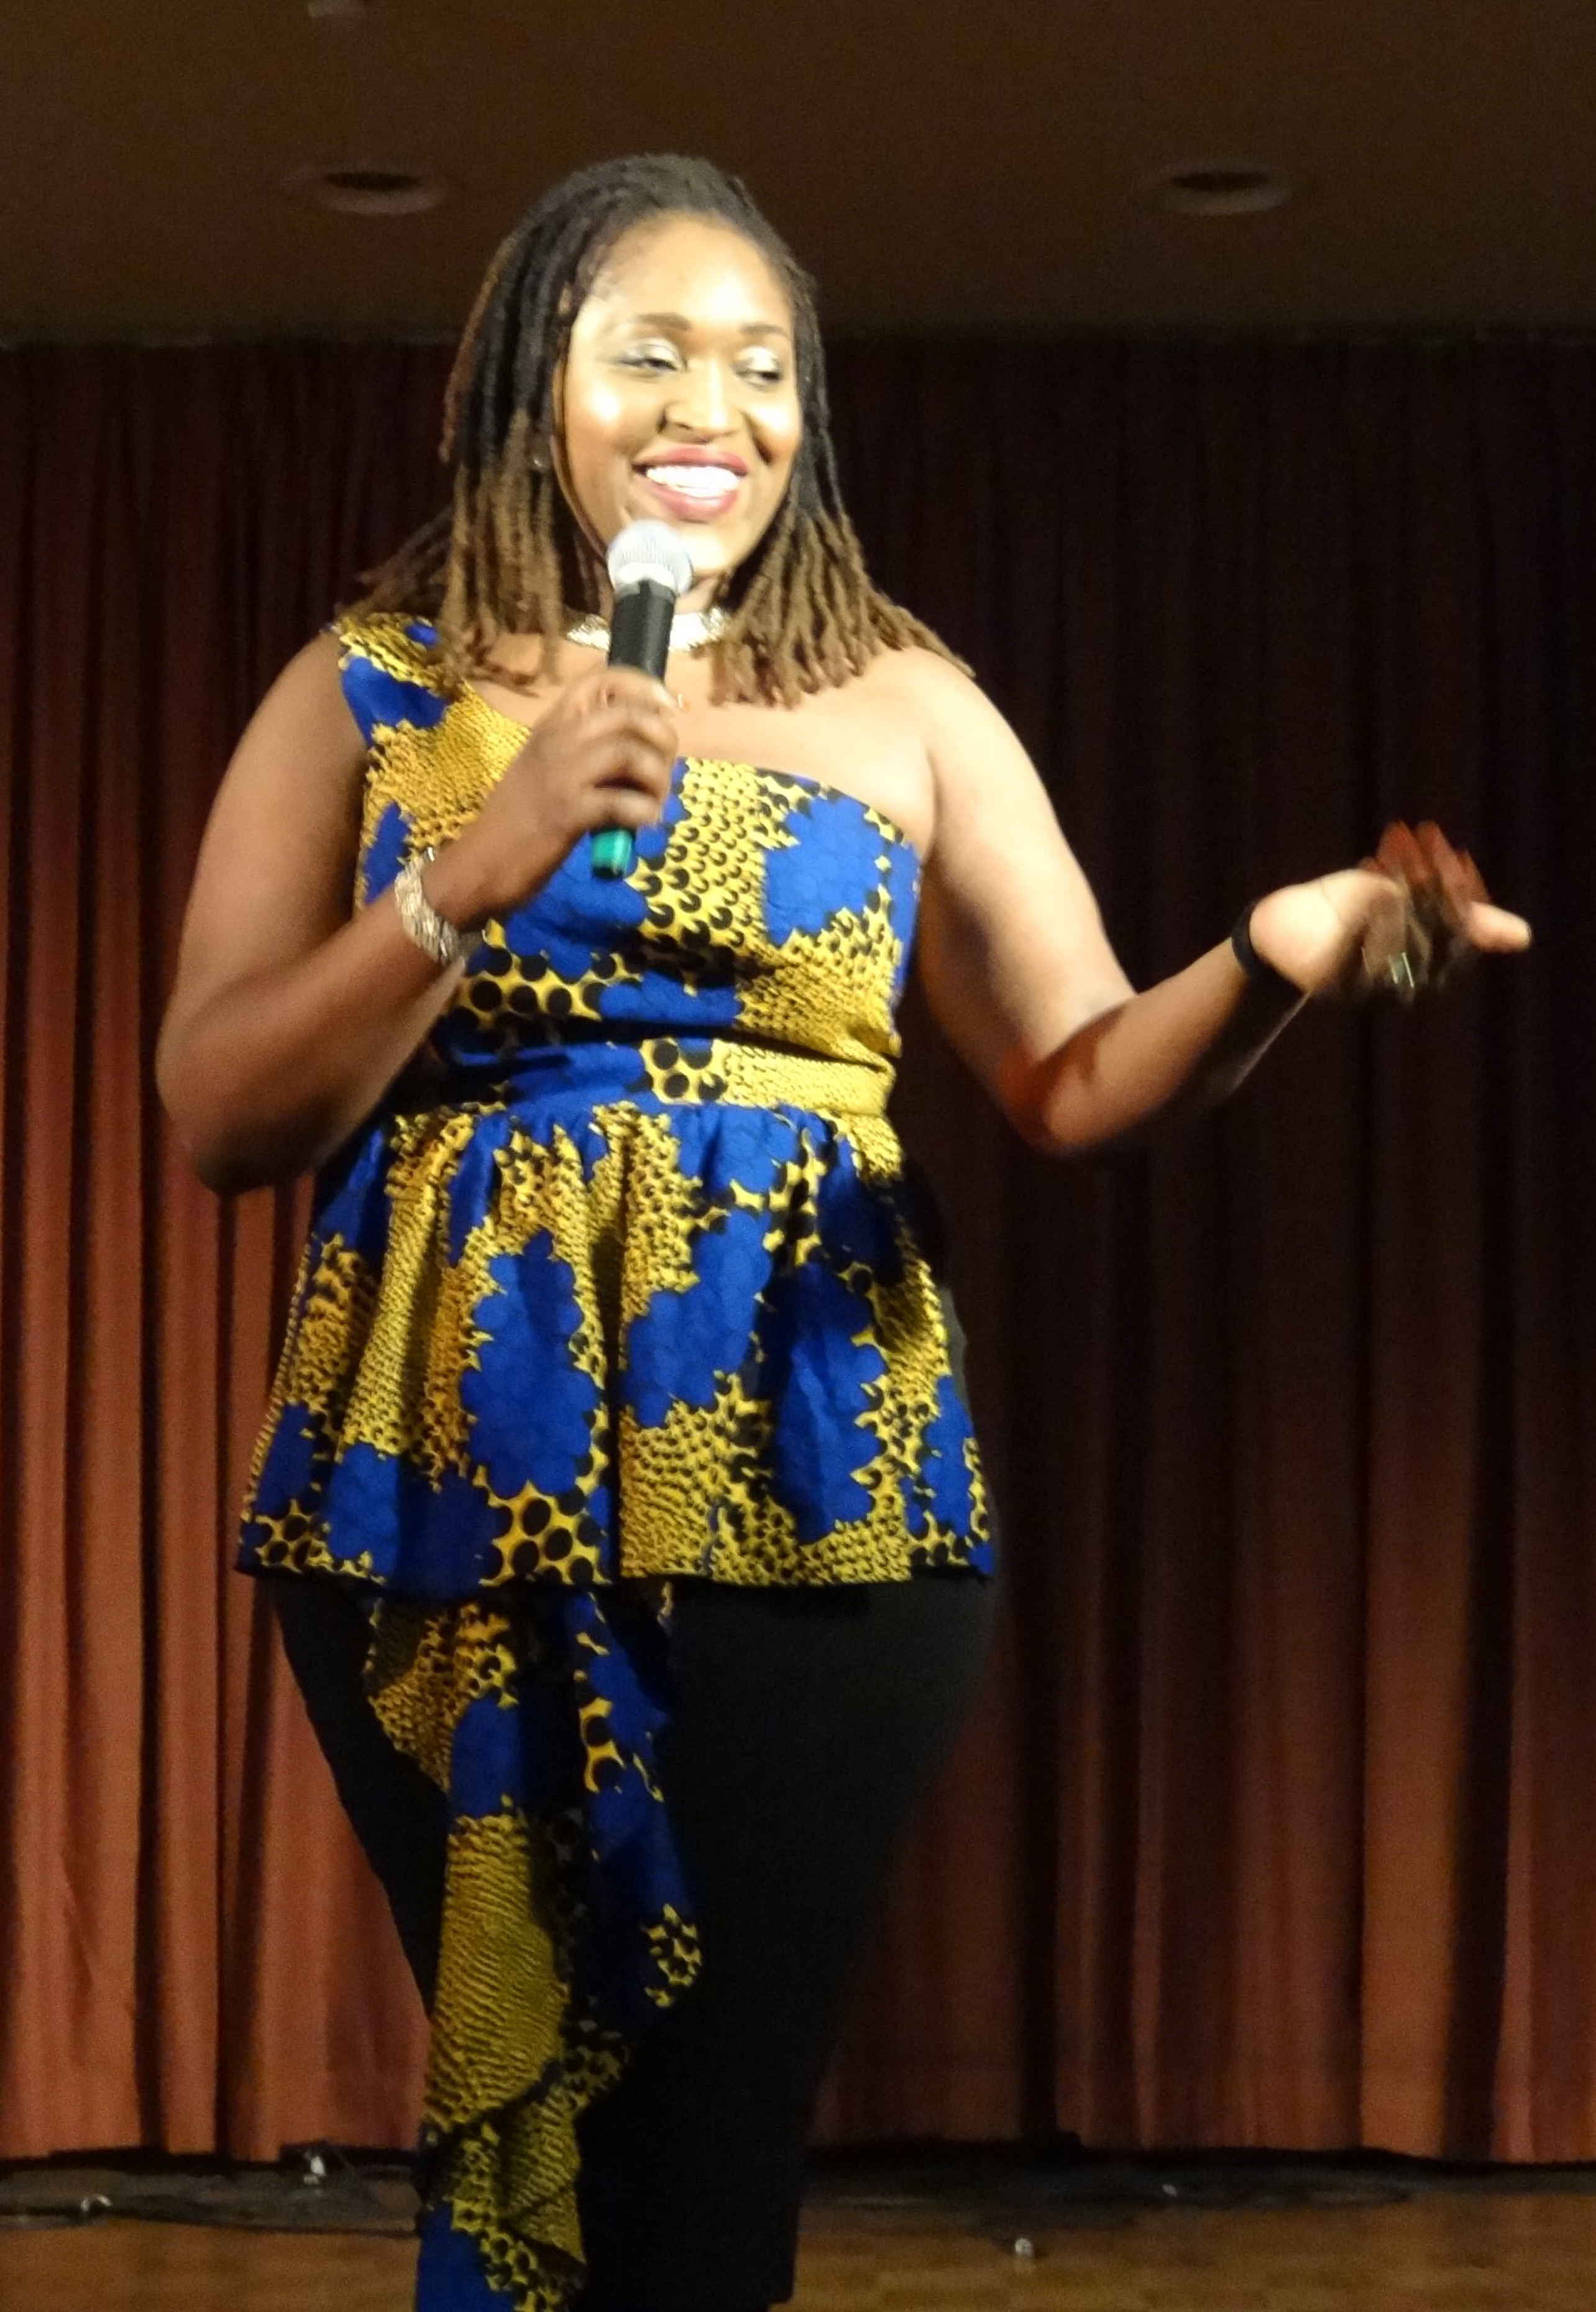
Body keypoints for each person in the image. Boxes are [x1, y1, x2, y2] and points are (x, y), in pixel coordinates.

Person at [156, 154, 1530, 2312]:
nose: (716, 406)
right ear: (527, 391)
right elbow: (220, 1110)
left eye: (765, 365)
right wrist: (477, 869)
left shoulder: (903, 700)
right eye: (652, 353)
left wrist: (1270, 959)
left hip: (815, 1465)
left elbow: (1077, 1075)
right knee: (549, 2103)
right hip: (441, 1475)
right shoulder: (369, 686)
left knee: (712, 2138)